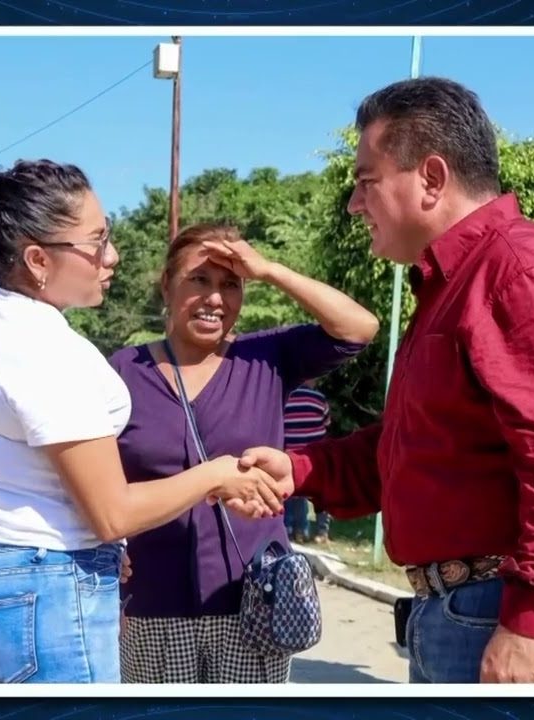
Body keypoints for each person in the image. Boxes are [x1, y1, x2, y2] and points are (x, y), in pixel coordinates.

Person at [240, 76, 534, 684]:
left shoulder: (519, 274)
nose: (353, 204)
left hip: (503, 607)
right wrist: (303, 470)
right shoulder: (454, 285)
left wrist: (530, 619)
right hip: (466, 607)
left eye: (367, 181)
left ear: (432, 178)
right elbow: (421, 444)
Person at [0, 159, 289, 685]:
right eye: (95, 242)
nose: (110, 256)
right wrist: (217, 473)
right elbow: (111, 514)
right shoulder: (45, 345)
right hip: (37, 595)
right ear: (38, 259)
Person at [110, 222, 377, 684]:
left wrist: (269, 270)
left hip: (254, 604)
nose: (215, 298)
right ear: (166, 286)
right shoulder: (122, 371)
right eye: (199, 280)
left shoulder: (266, 356)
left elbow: (359, 328)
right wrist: (105, 550)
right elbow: (96, 482)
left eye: (230, 284)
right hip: (149, 605)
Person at [283, 380, 333, 544]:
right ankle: (321, 532)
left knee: (293, 494)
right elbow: (326, 423)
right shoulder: (319, 399)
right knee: (321, 496)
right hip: (315, 457)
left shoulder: (286, 398)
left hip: (291, 456)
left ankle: (295, 529)